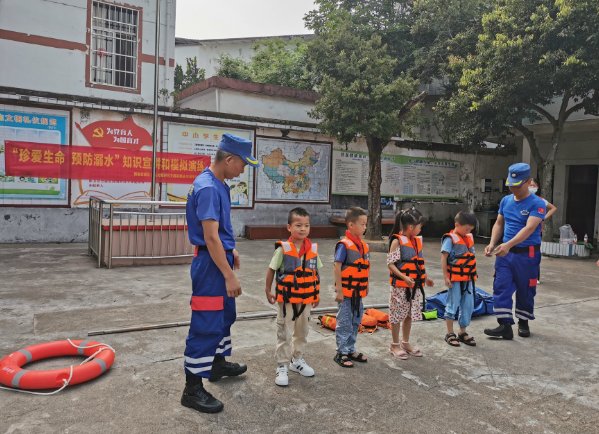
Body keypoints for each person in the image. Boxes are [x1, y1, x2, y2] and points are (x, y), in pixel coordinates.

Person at [181, 133, 258, 414]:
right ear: (229, 159)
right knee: (206, 321)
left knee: (225, 315)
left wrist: (231, 249)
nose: (243, 170)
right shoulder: (208, 188)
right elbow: (209, 238)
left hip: (219, 258)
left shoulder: (219, 184)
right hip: (211, 266)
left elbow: (220, 233)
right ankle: (192, 389)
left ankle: (216, 364)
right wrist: (228, 274)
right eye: (243, 165)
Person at [484, 163, 546, 340]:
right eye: (511, 185)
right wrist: (492, 243)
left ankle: (523, 322)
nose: (513, 189)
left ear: (528, 182)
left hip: (528, 254)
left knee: (526, 288)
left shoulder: (537, 203)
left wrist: (508, 245)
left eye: (517, 185)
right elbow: (499, 223)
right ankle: (504, 325)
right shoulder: (506, 201)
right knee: (501, 286)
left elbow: (529, 228)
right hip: (505, 253)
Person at [264, 207, 322, 386]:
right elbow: (271, 269)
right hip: (287, 300)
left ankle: (297, 360)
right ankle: (282, 365)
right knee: (285, 332)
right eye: (298, 225)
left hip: (305, 300)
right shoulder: (283, 249)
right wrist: (268, 290)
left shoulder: (312, 249)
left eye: (306, 225)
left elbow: (316, 272)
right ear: (289, 227)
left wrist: (316, 293)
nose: (303, 229)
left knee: (302, 332)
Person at [387, 208, 434, 359]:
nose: (421, 229)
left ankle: (405, 342)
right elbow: (391, 264)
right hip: (400, 287)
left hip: (414, 287)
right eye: (420, 226)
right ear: (411, 227)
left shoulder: (416, 242)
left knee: (408, 315)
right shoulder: (397, 241)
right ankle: (394, 345)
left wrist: (426, 278)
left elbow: (419, 264)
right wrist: (404, 278)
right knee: (396, 315)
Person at [333, 207, 370, 368]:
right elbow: (337, 266)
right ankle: (341, 352)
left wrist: (366, 285)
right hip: (346, 293)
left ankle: (350, 348)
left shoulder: (364, 246)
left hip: (358, 292)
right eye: (362, 224)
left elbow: (366, 267)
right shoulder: (344, 245)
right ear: (350, 225)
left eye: (365, 224)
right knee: (345, 321)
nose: (365, 227)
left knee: (356, 320)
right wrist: (340, 290)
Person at [441, 211, 479, 347]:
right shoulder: (449, 239)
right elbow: (444, 258)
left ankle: (462, 332)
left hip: (468, 279)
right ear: (457, 225)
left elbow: (470, 257)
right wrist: (446, 277)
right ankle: (449, 333)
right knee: (452, 304)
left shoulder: (468, 238)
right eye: (467, 229)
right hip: (455, 279)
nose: (468, 231)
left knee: (468, 305)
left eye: (470, 229)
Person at [529, 178, 557, 284]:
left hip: (535, 232)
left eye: (533, 185)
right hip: (522, 231)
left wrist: (543, 217)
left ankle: (536, 277)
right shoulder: (522, 198)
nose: (531, 187)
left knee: (534, 254)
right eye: (530, 185)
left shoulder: (540, 200)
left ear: (537, 187)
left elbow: (553, 208)